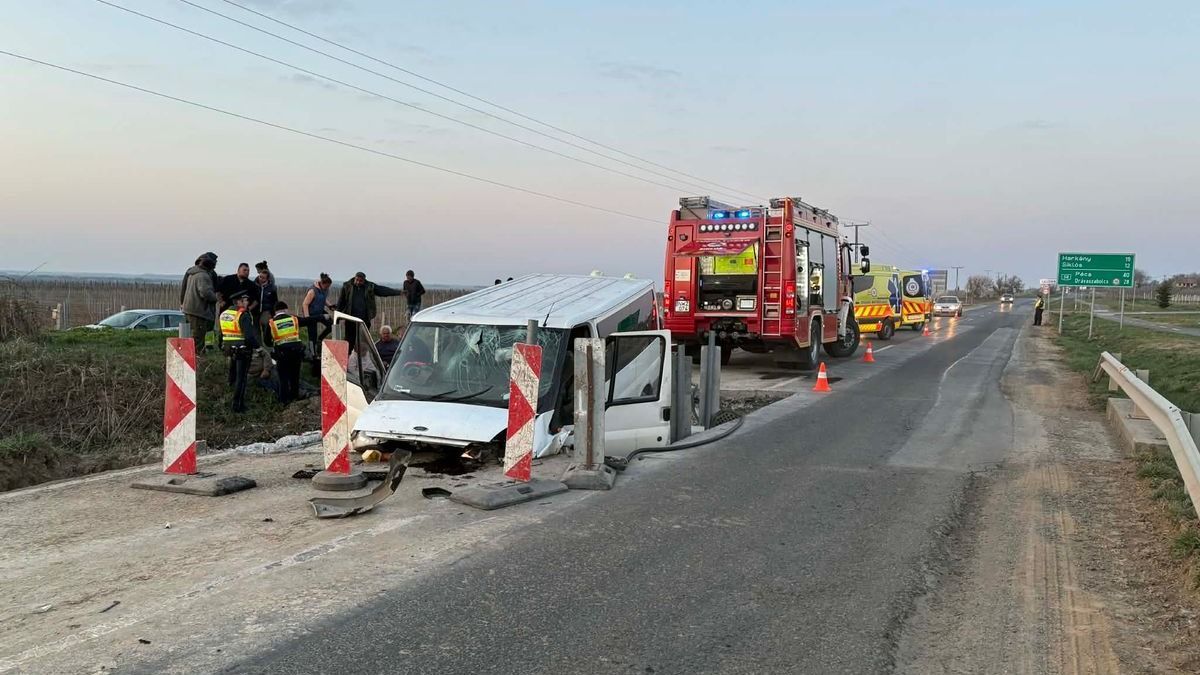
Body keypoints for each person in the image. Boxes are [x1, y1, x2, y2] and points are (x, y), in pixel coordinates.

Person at [336, 272, 404, 353]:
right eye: (356, 280)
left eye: (360, 281)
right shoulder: (347, 286)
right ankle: (348, 360)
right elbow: (341, 302)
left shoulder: (370, 286)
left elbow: (383, 291)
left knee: (363, 342)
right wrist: (337, 317)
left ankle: (362, 361)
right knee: (349, 341)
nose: (358, 282)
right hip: (351, 319)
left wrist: (399, 292)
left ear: (364, 280)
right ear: (354, 278)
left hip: (364, 319)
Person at [219, 292, 260, 413]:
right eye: (245, 300)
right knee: (241, 378)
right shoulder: (243, 314)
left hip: (228, 348)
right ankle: (238, 405)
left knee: (232, 374)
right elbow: (249, 337)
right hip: (242, 349)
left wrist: (221, 346)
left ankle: (229, 394)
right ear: (239, 302)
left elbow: (221, 334)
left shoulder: (224, 314)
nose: (247, 303)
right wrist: (258, 348)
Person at [269, 301, 311, 404]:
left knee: (283, 378)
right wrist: (322, 317)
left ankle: (284, 401)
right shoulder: (294, 319)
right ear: (285, 309)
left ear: (275, 311)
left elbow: (266, 340)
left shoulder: (272, 322)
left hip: (281, 354)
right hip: (296, 353)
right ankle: (294, 399)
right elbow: (308, 321)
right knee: (295, 377)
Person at [181, 252, 219, 352]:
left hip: (190, 309)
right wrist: (215, 298)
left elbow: (183, 288)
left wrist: (182, 302)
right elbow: (205, 293)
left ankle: (194, 354)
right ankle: (198, 358)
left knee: (192, 336)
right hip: (200, 311)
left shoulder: (192, 273)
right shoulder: (203, 275)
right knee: (198, 338)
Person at [302, 273, 335, 375]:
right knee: (312, 335)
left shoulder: (325, 289)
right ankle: (313, 354)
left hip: (320, 311)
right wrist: (307, 318)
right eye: (327, 286)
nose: (328, 288)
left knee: (331, 325)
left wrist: (330, 306)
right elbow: (305, 304)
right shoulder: (313, 291)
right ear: (323, 283)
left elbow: (323, 299)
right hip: (311, 313)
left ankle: (320, 339)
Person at [253, 268, 278, 346]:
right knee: (255, 329)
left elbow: (275, 301)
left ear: (267, 279)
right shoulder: (254, 285)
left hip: (266, 310)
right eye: (260, 276)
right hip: (255, 310)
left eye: (263, 278)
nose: (261, 279)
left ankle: (267, 342)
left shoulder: (272, 288)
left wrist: (274, 312)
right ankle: (258, 346)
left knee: (266, 324)